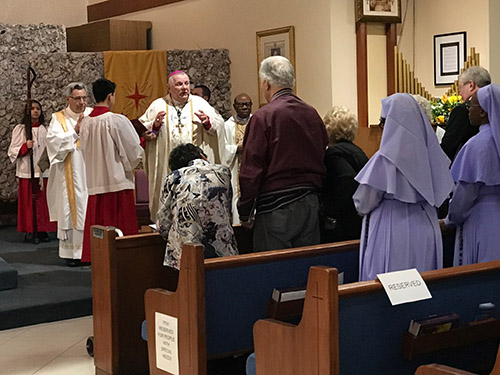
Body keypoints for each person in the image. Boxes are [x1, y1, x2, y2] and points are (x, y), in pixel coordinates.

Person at [353, 93, 454, 281]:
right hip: (426, 226)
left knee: (392, 283)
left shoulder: (384, 159)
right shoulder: (431, 156)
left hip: (391, 227)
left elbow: (363, 202)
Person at [238, 56, 328, 251]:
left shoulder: (264, 117)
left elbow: (251, 169)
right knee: (306, 270)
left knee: (274, 272)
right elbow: (323, 153)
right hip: (310, 202)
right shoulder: (312, 113)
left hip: (276, 207)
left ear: (266, 83)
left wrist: (244, 211)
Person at [139, 71, 224, 221]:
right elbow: (143, 132)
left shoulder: (200, 103)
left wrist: (207, 123)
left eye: (186, 83)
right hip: (167, 166)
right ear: (169, 88)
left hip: (195, 169)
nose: (184, 88)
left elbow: (219, 125)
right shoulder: (158, 105)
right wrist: (155, 126)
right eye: (179, 84)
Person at [79, 78, 143, 263]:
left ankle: (99, 265)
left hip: (95, 182)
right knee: (120, 237)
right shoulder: (116, 120)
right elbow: (133, 150)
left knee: (100, 234)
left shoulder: (85, 123)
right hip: (117, 183)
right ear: (110, 96)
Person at [156, 143, 238, 270]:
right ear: (202, 156)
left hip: (187, 253)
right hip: (222, 249)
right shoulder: (224, 172)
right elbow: (227, 209)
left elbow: (163, 223)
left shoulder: (173, 177)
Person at [446, 84, 500, 266]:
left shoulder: (477, 145)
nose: (468, 110)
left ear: (484, 112)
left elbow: (465, 194)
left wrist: (451, 219)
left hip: (482, 218)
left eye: (472, 106)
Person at [46, 82, 91, 266]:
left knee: (89, 209)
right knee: (71, 210)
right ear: (68, 99)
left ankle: (89, 251)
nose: (81, 102)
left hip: (90, 172)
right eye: (77, 98)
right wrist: (75, 132)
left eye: (84, 98)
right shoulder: (58, 118)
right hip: (69, 173)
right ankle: (72, 254)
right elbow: (53, 143)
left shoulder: (91, 115)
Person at [8, 100, 56, 243]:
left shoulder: (46, 129)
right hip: (26, 171)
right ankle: (30, 229)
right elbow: (12, 150)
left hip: (42, 171)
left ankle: (42, 230)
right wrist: (25, 147)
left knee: (42, 202)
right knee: (28, 202)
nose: (35, 111)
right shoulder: (20, 129)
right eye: (32, 109)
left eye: (38, 109)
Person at [321, 106, 368, 243]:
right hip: (358, 219)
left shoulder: (333, 153)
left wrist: (331, 214)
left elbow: (347, 179)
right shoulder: (359, 152)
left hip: (342, 223)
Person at [441, 66, 491, 163]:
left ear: (471, 85)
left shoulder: (462, 111)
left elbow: (448, 148)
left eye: (460, 88)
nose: (459, 93)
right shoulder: (495, 105)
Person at [221, 93, 253, 225]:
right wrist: (236, 149)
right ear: (235, 106)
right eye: (241, 104)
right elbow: (222, 148)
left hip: (253, 166)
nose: (245, 107)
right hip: (236, 167)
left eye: (248, 104)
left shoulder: (257, 121)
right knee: (236, 196)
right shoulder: (227, 125)